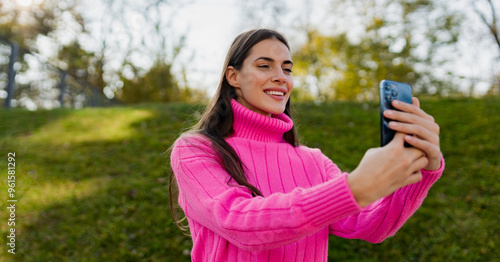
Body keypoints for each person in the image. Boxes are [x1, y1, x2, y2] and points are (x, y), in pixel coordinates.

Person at [169, 28, 444, 261]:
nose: (281, 77)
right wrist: (354, 188)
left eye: (287, 68)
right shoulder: (196, 149)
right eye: (265, 65)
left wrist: (422, 169)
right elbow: (239, 222)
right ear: (233, 77)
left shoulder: (314, 161)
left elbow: (370, 226)